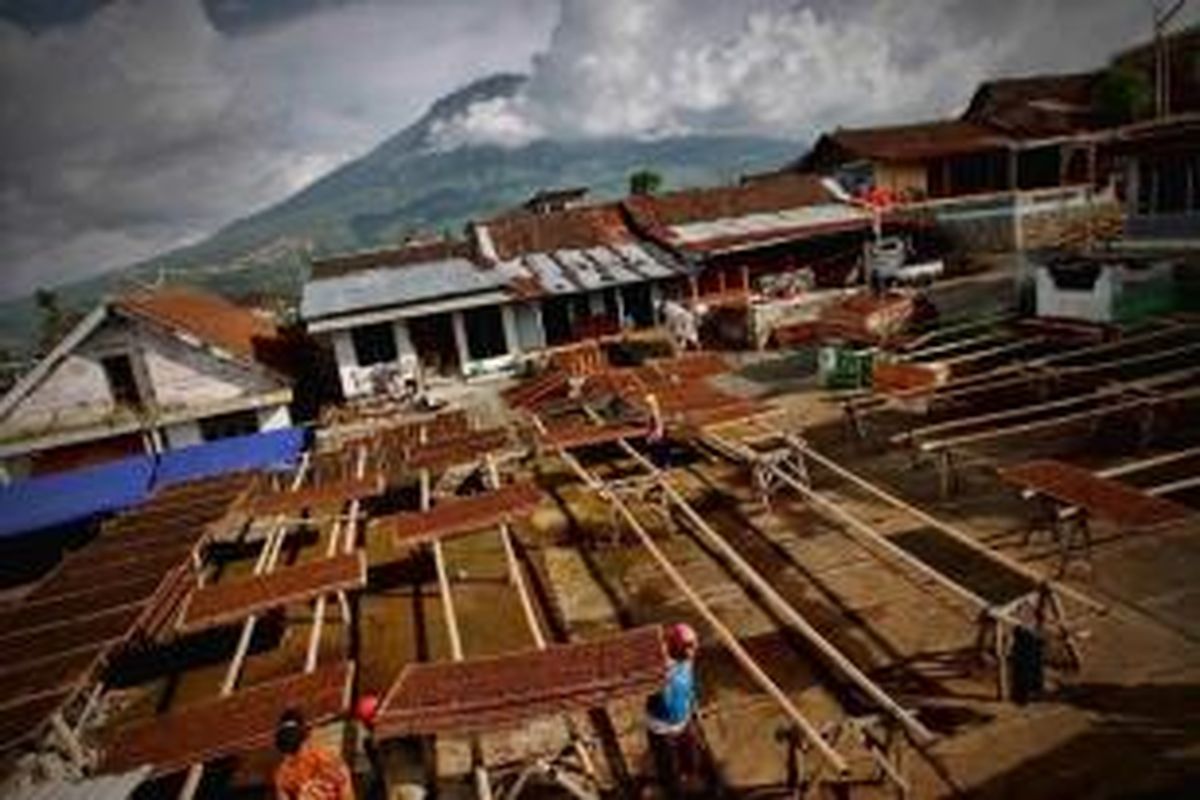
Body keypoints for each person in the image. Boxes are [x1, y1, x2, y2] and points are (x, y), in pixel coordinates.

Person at [646, 622, 700, 798]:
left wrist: (693, 703)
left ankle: (690, 779)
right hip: (662, 726)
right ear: (675, 646)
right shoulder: (659, 666)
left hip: (683, 717)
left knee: (690, 754)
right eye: (688, 646)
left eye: (693, 645)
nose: (692, 651)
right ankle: (673, 791)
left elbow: (689, 682)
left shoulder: (687, 659)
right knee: (668, 764)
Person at [274, 708, 357, 800]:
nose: (290, 759)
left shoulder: (331, 762)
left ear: (306, 740)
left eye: (296, 751)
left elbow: (348, 795)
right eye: (287, 755)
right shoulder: (283, 775)